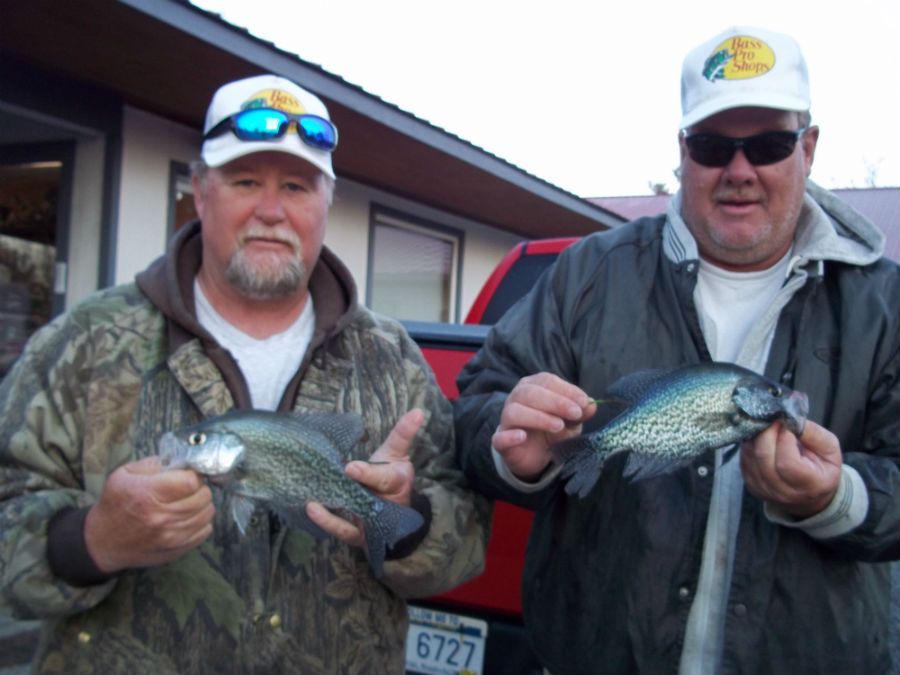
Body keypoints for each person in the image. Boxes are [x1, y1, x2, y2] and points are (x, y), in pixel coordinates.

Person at [0, 73, 489, 674]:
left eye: (296, 186)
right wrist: (93, 540)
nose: (270, 210)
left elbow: (467, 543)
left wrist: (405, 520)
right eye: (244, 181)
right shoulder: (83, 343)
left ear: (325, 204)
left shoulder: (391, 358)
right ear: (200, 192)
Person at [455, 26, 900, 675]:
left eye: (770, 144)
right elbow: (473, 408)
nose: (740, 171)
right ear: (682, 151)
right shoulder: (589, 274)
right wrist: (511, 449)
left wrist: (840, 497)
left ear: (809, 147)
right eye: (714, 145)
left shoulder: (883, 304)